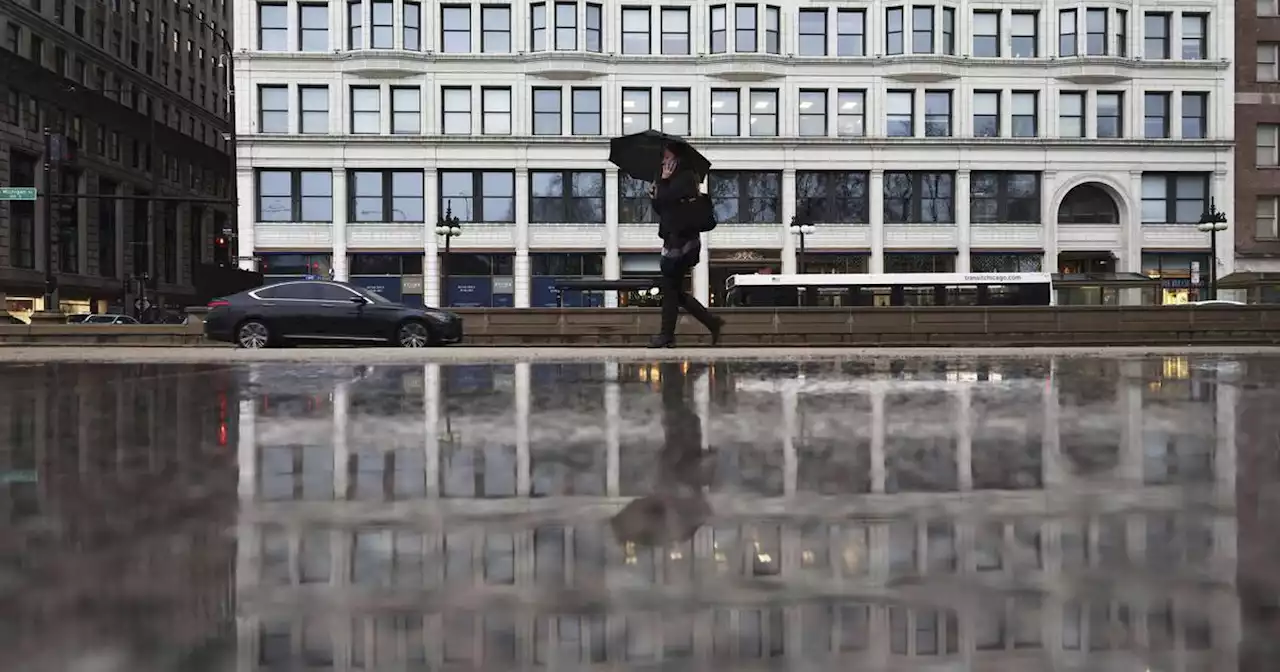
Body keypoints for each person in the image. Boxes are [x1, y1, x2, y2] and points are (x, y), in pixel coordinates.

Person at [647, 145, 724, 348]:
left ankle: (667, 335)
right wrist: (655, 193)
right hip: (674, 239)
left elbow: (670, 199)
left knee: (671, 288)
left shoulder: (687, 177)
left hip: (683, 242)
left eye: (667, 156)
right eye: (663, 157)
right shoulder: (670, 178)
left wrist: (663, 183)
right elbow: (661, 207)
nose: (663, 161)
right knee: (674, 290)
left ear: (677, 158)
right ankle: (711, 323)